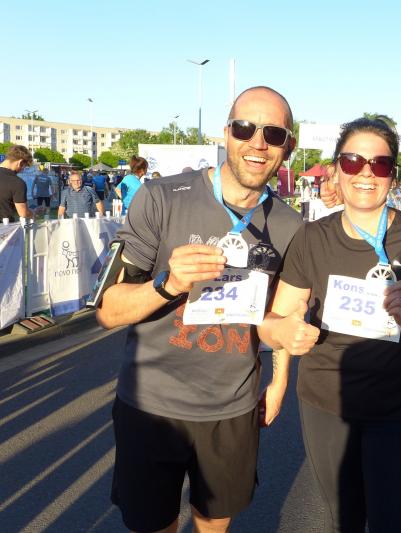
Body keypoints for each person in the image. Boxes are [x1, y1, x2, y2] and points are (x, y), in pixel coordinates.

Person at [96, 86, 302, 533]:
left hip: (232, 407)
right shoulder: (160, 197)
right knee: (153, 523)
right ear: (226, 133)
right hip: (151, 404)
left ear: (288, 146)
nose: (258, 142)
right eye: (245, 128)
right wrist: (168, 284)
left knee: (214, 523)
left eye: (273, 133)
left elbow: (281, 316)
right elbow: (108, 310)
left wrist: (280, 379)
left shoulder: (290, 224)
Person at [260, 117, 401, 533]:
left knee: (396, 523)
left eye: (380, 163)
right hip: (326, 406)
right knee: (344, 521)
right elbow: (273, 325)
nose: (366, 173)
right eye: (353, 161)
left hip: (399, 410)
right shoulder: (312, 238)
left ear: (394, 174)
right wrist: (282, 339)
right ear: (337, 169)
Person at [0, 145, 34, 221]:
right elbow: (23, 213)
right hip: (4, 226)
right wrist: (32, 213)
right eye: (24, 167)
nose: (22, 170)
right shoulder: (17, 183)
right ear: (20, 162)